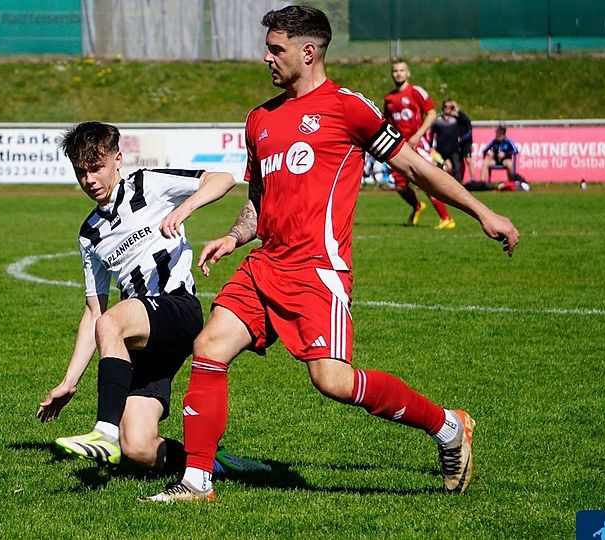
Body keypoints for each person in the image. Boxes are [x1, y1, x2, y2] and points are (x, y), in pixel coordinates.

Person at [143, 5, 519, 503]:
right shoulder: (260, 119)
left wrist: (481, 211)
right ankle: (196, 482)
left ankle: (448, 426)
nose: (267, 58)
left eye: (276, 49)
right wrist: (234, 237)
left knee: (334, 381)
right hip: (265, 265)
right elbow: (258, 200)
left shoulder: (348, 108)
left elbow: (419, 167)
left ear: (308, 52)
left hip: (317, 271)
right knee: (209, 347)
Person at [36, 121, 268, 477]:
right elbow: (92, 311)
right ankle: (214, 463)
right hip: (141, 333)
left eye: (96, 168)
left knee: (112, 321)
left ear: (118, 159)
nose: (89, 180)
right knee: (140, 448)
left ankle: (104, 433)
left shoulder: (147, 183)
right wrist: (69, 382)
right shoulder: (90, 234)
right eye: (81, 172)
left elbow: (222, 179)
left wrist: (184, 209)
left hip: (177, 309)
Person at [384, 59, 456, 230]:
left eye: (401, 70)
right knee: (399, 185)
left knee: (426, 181)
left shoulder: (416, 92)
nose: (398, 73)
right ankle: (417, 206)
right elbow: (388, 122)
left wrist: (418, 135)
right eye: (395, 71)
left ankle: (446, 218)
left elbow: (431, 114)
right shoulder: (389, 99)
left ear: (408, 73)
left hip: (417, 144)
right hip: (399, 147)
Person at [479, 125, 529, 192]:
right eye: (496, 134)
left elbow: (516, 151)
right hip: (496, 160)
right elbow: (484, 150)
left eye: (498, 135)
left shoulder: (508, 141)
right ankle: (483, 184)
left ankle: (512, 183)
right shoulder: (494, 141)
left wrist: (505, 154)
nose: (497, 136)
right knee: (485, 162)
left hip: (505, 160)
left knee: (509, 163)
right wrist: (489, 153)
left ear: (503, 135)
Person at [430, 99, 464, 181]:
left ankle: (458, 187)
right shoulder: (438, 119)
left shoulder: (456, 119)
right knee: (439, 168)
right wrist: (430, 145)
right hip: (441, 149)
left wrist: (457, 110)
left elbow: (466, 123)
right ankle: (438, 186)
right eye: (446, 106)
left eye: (450, 107)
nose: (448, 108)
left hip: (453, 148)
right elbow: (432, 133)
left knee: (456, 168)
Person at [452, 100, 475, 182]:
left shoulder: (463, 117)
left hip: (466, 142)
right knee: (459, 162)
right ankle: (460, 180)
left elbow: (469, 131)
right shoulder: (451, 118)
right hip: (456, 143)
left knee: (468, 159)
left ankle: (473, 179)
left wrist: (461, 138)